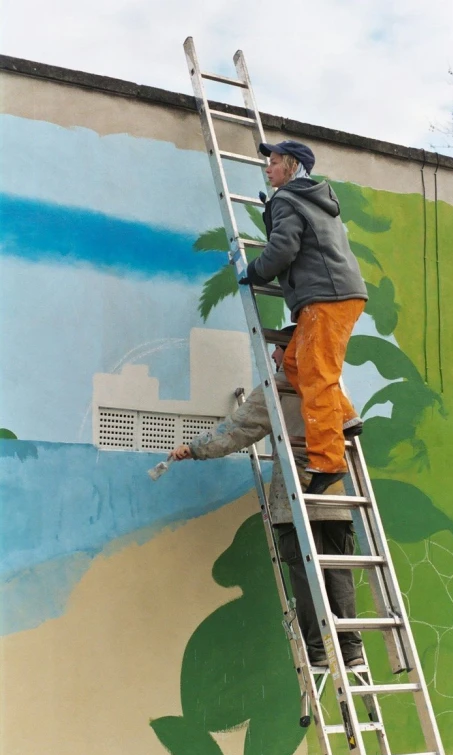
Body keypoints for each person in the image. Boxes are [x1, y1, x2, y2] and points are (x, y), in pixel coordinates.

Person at [170, 327, 363, 669]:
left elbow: (236, 431)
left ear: (293, 353)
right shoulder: (330, 387)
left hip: (295, 501)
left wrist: (194, 449)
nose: (274, 356)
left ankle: (320, 652)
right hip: (334, 502)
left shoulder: (276, 391)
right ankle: (351, 651)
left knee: (306, 578)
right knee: (337, 575)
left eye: (279, 350)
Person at [240, 140, 367, 496]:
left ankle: (328, 462)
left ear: (291, 166)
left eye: (274, 162)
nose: (268, 168)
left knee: (317, 377)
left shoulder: (286, 200)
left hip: (325, 298)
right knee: (294, 363)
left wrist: (253, 272)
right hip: (339, 295)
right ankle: (343, 416)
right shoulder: (315, 199)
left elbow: (283, 248)